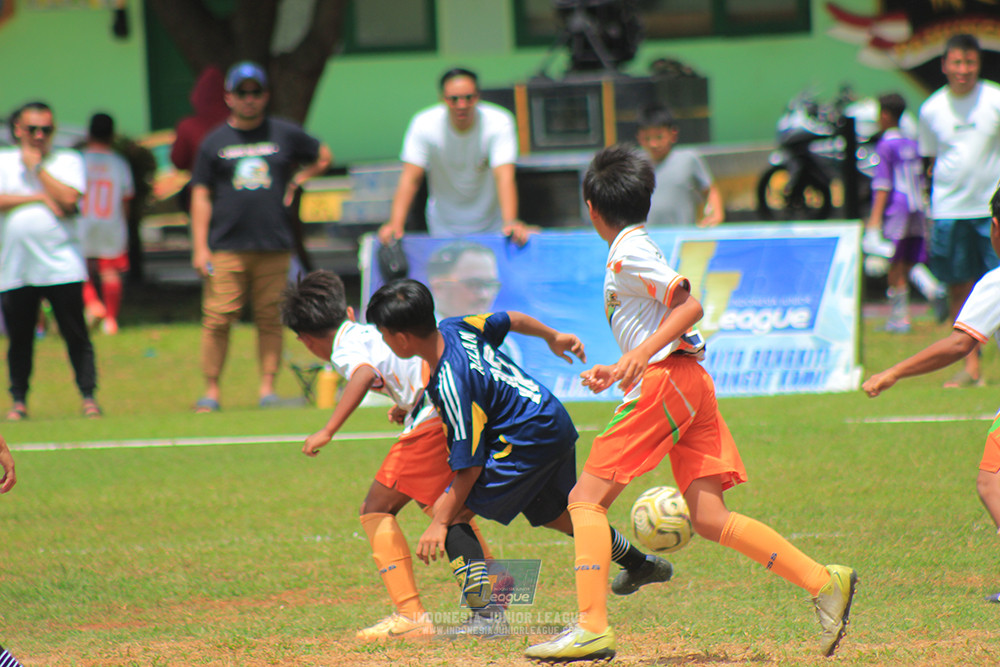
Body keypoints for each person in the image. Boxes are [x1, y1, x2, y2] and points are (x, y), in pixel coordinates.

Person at [524, 145, 858, 663]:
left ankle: (591, 627)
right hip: (686, 382)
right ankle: (823, 580)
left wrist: (638, 355)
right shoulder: (634, 248)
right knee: (707, 517)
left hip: (667, 382)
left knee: (583, 501)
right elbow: (665, 319)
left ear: (591, 207)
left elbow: (690, 304)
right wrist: (621, 365)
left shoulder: (628, 251)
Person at [366, 279, 674, 631]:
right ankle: (638, 564)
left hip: (525, 438)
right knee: (558, 514)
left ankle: (487, 617)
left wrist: (439, 522)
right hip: (549, 418)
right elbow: (510, 319)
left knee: (451, 514)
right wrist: (552, 336)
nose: (385, 340)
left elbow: (469, 466)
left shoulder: (453, 381)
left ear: (401, 338)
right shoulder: (455, 327)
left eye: (384, 333)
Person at [280, 269, 504, 639]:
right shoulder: (365, 330)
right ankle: (495, 600)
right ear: (349, 312)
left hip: (432, 421)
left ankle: (411, 616)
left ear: (306, 340)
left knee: (376, 508)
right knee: (446, 510)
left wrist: (328, 429)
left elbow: (364, 374)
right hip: (441, 410)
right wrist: (407, 401)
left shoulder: (342, 348)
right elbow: (407, 364)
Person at [863, 184, 1000, 602]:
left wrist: (894, 372)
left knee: (991, 482)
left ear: (995, 229)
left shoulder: (996, 282)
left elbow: (960, 344)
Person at [189, 61, 332, 412]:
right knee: (218, 318)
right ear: (229, 97)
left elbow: (323, 155)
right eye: (242, 93)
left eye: (255, 92)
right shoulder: (214, 142)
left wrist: (299, 179)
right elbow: (200, 195)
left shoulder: (283, 132)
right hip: (226, 247)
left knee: (270, 318)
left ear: (266, 96)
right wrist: (199, 246)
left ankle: (267, 390)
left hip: (273, 245)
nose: (249, 99)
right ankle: (211, 392)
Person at [0, 101, 101, 420]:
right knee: (20, 338)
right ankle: (19, 400)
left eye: (46, 129)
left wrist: (38, 170)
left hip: (62, 265)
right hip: (16, 266)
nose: (40, 135)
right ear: (18, 130)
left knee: (75, 333)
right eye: (32, 129)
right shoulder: (3, 161)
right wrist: (41, 196)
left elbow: (71, 198)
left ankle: (88, 396)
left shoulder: (67, 160)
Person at [917, 33, 1000, 387]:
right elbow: (930, 161)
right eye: (956, 62)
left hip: (992, 210)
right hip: (950, 209)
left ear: (978, 64)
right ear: (944, 65)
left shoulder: (995, 99)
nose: (963, 70)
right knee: (958, 288)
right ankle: (971, 368)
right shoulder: (931, 109)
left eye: (969, 62)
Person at [376, 67, 532, 245]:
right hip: (443, 226)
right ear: (442, 99)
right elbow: (411, 178)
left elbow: (504, 176)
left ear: (478, 97)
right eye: (454, 99)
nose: (462, 105)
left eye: (468, 98)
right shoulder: (423, 124)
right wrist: (396, 224)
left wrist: (510, 222)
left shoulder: (499, 122)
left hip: (492, 226)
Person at [863, 93, 935, 334]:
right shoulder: (910, 142)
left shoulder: (885, 144)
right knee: (907, 259)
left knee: (893, 262)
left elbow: (882, 184)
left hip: (898, 207)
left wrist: (874, 221)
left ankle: (898, 319)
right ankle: (932, 290)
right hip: (917, 206)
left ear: (884, 115)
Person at [78, 112, 135, 335]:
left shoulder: (79, 160)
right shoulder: (118, 163)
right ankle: (111, 320)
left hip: (82, 221)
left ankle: (92, 302)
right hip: (110, 221)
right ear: (112, 135)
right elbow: (126, 198)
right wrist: (124, 223)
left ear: (88, 133)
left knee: (79, 267)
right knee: (110, 271)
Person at [426, 240, 522, 366]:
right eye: (473, 284)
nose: (485, 295)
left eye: (491, 285)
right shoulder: (418, 340)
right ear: (438, 287)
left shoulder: (504, 348)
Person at [637, 104, 723, 228]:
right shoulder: (636, 165)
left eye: (659, 137)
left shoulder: (688, 159)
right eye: (647, 138)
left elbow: (709, 190)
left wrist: (715, 215)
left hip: (681, 236)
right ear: (639, 138)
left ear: (673, 134)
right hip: (647, 238)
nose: (653, 144)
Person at [170, 65, 230, 213]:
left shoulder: (188, 126)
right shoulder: (236, 125)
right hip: (234, 196)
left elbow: (179, 161)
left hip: (200, 197)